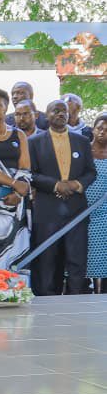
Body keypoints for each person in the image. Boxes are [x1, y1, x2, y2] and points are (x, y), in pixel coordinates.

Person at [28, 99, 96, 296]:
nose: (61, 114)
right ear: (46, 115)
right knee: (47, 261)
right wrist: (56, 185)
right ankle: (47, 303)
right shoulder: (34, 142)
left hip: (76, 210)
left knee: (76, 260)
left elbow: (91, 172)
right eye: (56, 110)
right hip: (47, 211)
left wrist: (75, 185)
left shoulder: (82, 141)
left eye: (64, 111)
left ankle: (75, 301)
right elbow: (31, 174)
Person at [87, 113, 107, 293]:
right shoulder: (84, 150)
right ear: (93, 129)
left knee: (103, 255)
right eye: (100, 128)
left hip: (105, 214)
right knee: (87, 255)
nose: (102, 132)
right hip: (82, 212)